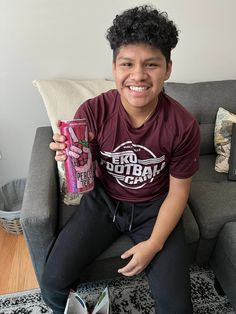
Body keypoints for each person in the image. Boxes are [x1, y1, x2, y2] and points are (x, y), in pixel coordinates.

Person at [43, 5, 200, 314]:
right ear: (114, 67)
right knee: (52, 283)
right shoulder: (92, 112)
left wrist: (153, 245)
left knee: (178, 308)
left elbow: (179, 192)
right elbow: (81, 170)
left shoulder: (183, 125)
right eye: (127, 64)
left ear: (168, 68)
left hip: (155, 208)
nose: (138, 75)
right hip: (103, 203)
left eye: (151, 65)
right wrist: (70, 154)